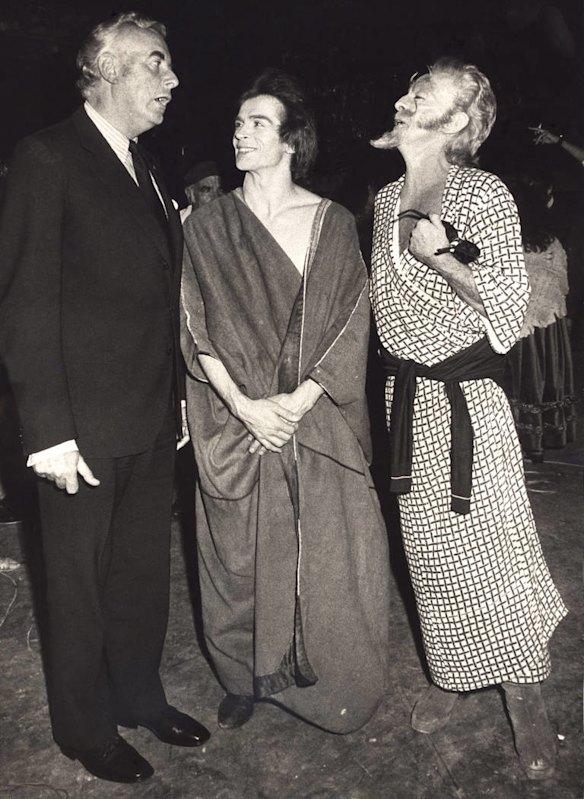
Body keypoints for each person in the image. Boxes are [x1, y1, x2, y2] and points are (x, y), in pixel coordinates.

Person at [0, 12, 210, 784]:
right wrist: (47, 430)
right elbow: (24, 302)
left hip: (150, 413)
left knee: (137, 572)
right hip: (79, 428)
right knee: (79, 582)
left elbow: (160, 296)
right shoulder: (47, 156)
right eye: (157, 63)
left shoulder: (149, 166)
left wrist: (180, 399)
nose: (172, 79)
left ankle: (138, 697)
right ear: (109, 70)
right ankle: (83, 727)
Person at [370, 58, 567, 780]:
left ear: (455, 122)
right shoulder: (387, 197)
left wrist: (446, 257)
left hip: (467, 408)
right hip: (405, 404)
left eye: (418, 96)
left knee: (492, 556)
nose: (400, 99)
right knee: (428, 558)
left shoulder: (483, 193)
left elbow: (513, 305)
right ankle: (455, 678)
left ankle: (526, 697)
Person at [181, 69, 390, 734]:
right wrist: (245, 406)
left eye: (258, 123)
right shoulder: (208, 226)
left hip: (310, 417)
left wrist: (294, 402)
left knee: (323, 551)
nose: (241, 132)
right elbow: (191, 323)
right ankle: (244, 676)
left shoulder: (329, 223)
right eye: (239, 123)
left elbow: (351, 317)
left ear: (291, 140)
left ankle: (330, 680)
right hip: (235, 418)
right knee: (236, 555)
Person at [503, 173, 576, 461]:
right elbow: (562, 281)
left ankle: (513, 442)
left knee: (517, 381)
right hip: (545, 325)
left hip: (513, 319)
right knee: (541, 381)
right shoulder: (551, 241)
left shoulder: (505, 238)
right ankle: (537, 443)